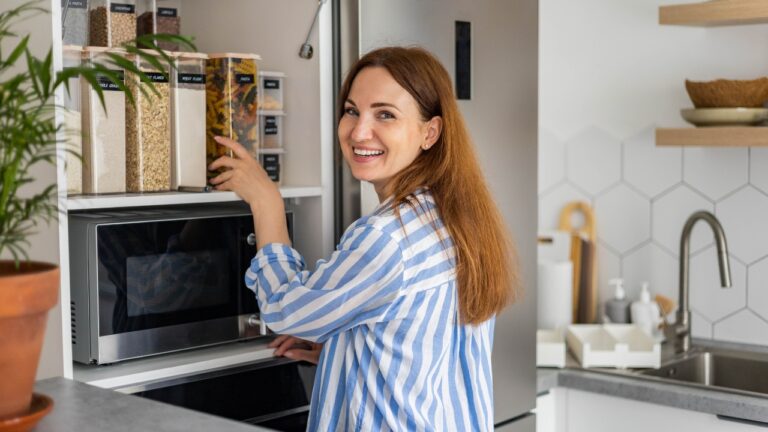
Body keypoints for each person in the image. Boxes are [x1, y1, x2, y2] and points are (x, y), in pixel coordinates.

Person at [208, 46, 518, 431]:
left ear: (430, 132)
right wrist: (346, 349)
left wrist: (267, 202)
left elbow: (285, 310)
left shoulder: (385, 237)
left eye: (385, 115)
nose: (358, 131)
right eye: (352, 110)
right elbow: (427, 346)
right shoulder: (456, 218)